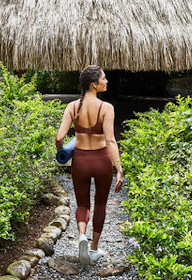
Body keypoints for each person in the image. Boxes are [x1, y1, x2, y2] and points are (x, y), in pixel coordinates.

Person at [55, 65, 124, 265]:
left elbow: (59, 137)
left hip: (81, 162)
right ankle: (93, 248)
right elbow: (111, 141)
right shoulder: (106, 108)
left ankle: (81, 236)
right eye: (104, 79)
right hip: (102, 161)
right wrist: (118, 168)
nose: (107, 82)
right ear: (94, 84)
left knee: (83, 203)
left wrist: (63, 153)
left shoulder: (72, 107)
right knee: (101, 203)